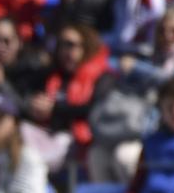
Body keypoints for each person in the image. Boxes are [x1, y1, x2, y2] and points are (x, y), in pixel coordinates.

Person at [22, 23, 113, 174]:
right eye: (61, 45)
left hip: (79, 139)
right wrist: (34, 106)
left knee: (34, 157)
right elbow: (26, 99)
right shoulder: (50, 75)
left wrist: (55, 109)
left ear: (86, 47)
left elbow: (95, 110)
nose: (65, 51)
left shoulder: (103, 76)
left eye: (71, 45)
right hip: (47, 132)